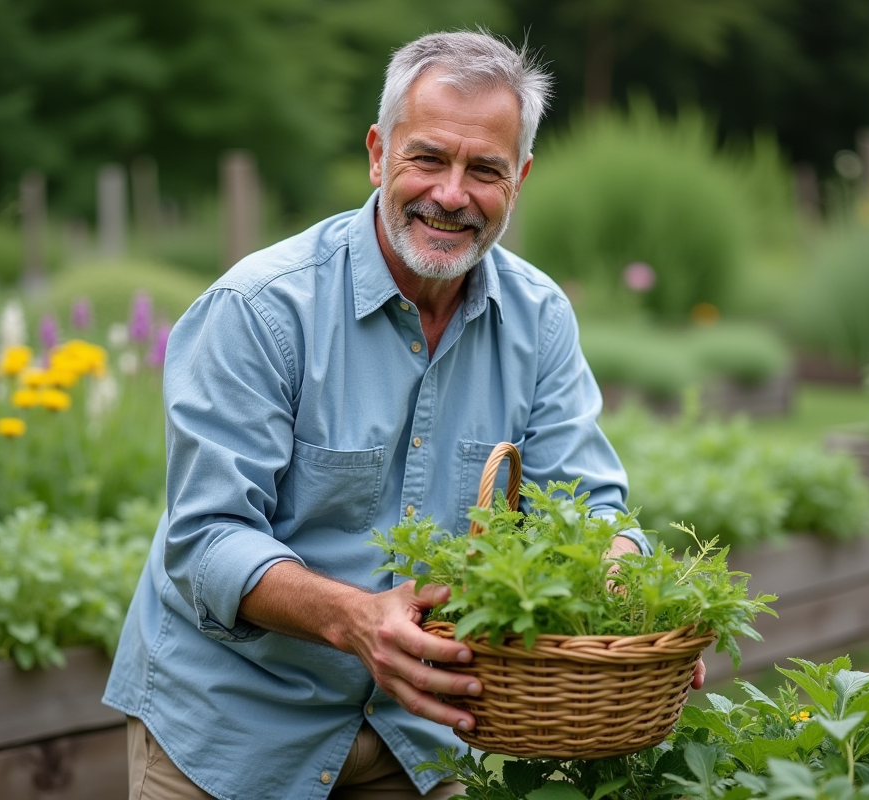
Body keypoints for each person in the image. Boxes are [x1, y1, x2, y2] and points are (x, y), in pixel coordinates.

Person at [104, 29, 698, 800]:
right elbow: (207, 540)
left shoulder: (540, 318)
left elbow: (589, 506)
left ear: (519, 177)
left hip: (417, 731)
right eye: (428, 158)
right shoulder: (260, 310)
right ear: (379, 153)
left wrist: (637, 602)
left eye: (484, 169)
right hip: (231, 729)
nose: (452, 195)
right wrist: (355, 618)